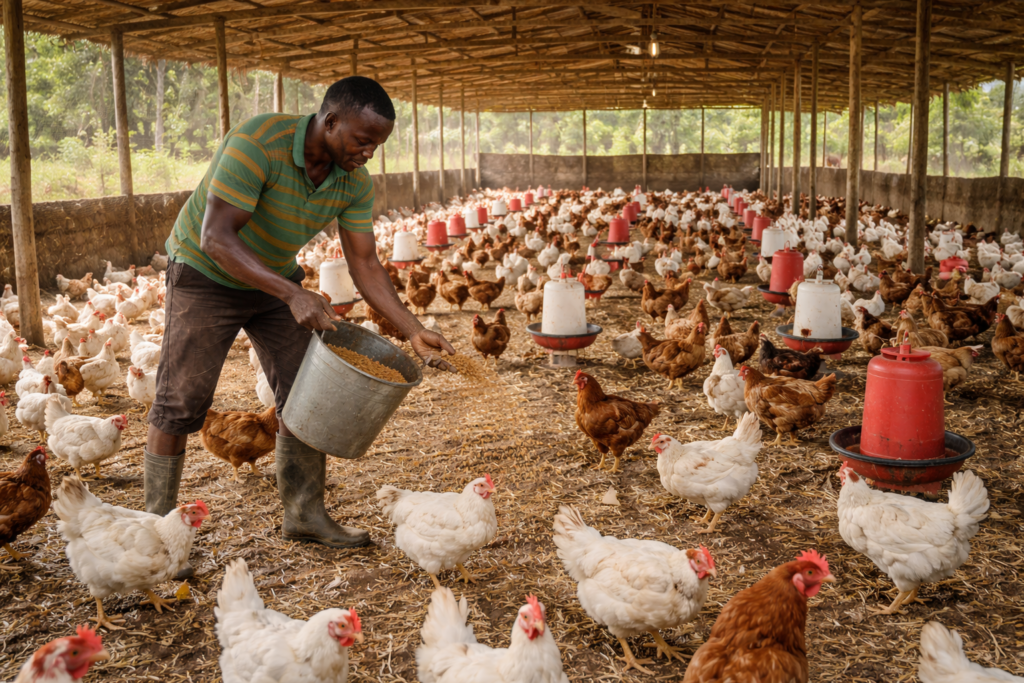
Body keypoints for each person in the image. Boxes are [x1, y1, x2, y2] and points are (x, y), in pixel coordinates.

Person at [145, 77, 455, 573]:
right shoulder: (258, 144)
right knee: (181, 400)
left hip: (272, 278)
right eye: (362, 140)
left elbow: (366, 263)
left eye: (377, 145)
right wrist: (292, 293)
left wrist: (411, 327)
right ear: (330, 121)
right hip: (206, 273)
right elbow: (216, 238)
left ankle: (305, 513)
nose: (369, 153)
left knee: (308, 394)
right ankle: (155, 536)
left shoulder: (353, 182)